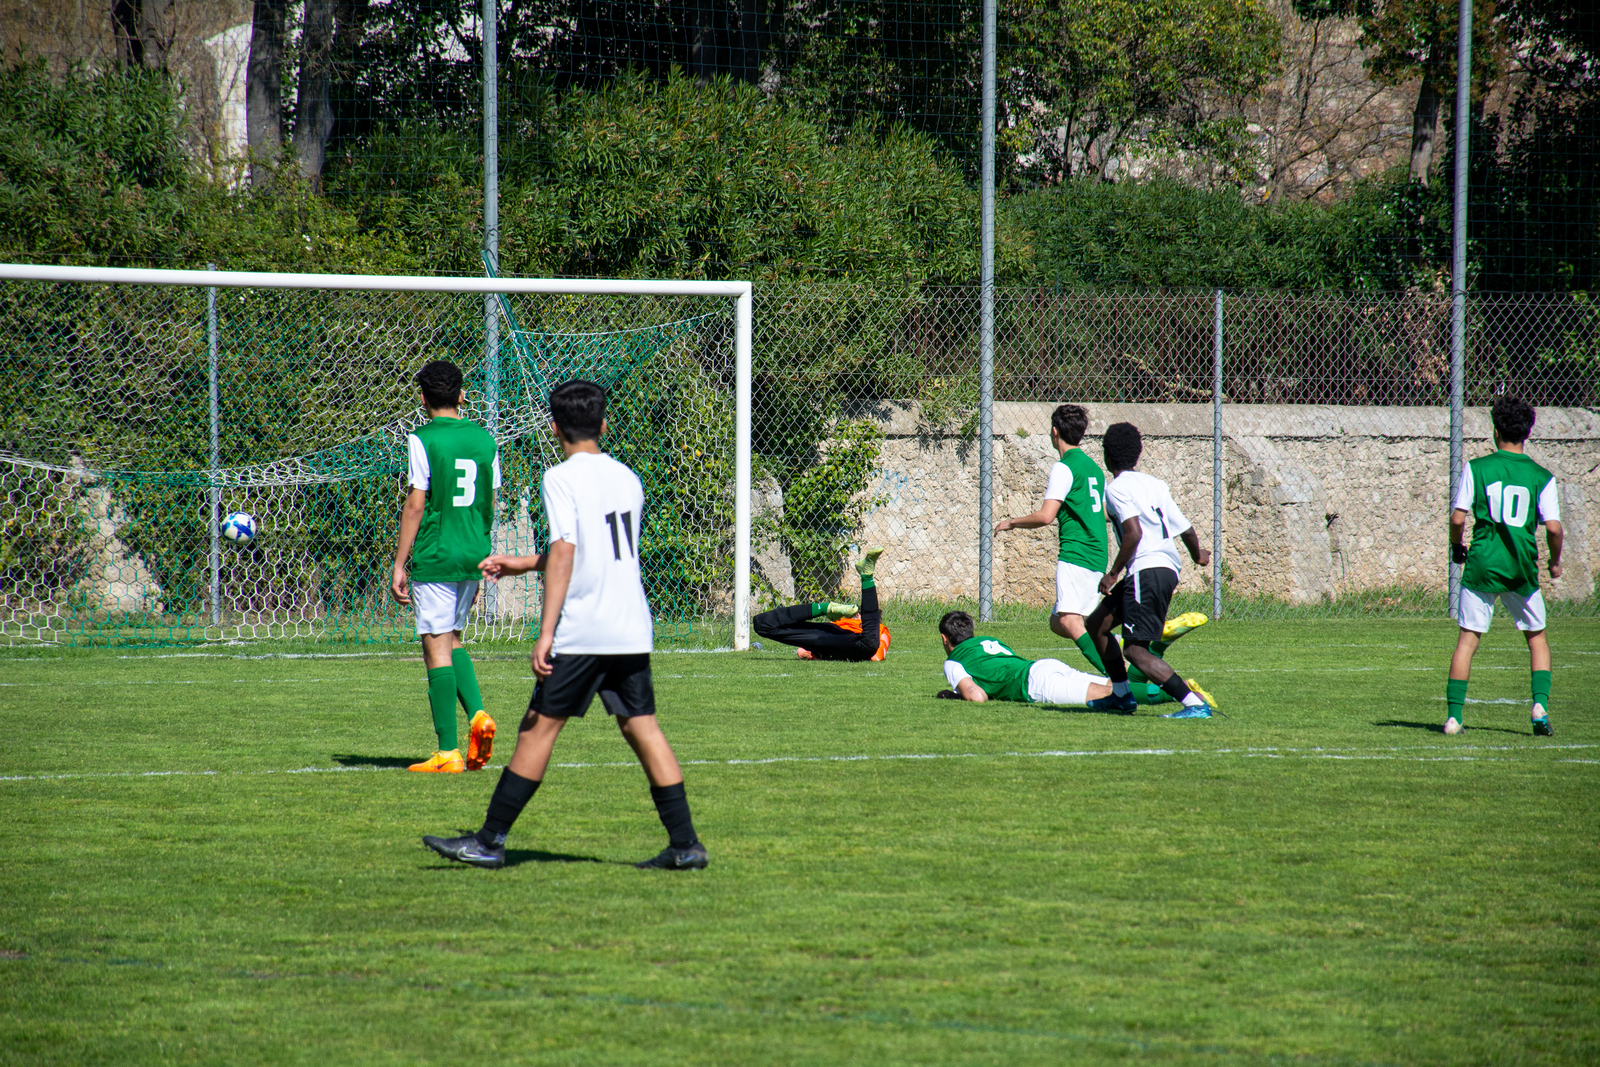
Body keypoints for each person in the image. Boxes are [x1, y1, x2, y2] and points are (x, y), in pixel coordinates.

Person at [422, 379, 708, 871]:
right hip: (630, 626)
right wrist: (522, 563)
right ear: (604, 424)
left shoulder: (560, 478)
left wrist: (547, 631)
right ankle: (686, 845)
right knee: (643, 729)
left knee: (536, 731)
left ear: (554, 427)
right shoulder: (627, 478)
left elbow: (566, 553)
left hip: (584, 630)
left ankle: (489, 842)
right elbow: (592, 552)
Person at [390, 360, 499, 773]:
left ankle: (449, 752)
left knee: (435, 648)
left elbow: (416, 503)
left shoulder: (423, 439)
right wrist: (480, 551)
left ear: (423, 399)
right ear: (462, 395)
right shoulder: (485, 439)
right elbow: (489, 499)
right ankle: (478, 716)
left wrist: (400, 562)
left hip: (438, 553)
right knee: (452, 639)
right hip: (474, 551)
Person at [1445, 395, 1563, 736]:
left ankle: (1454, 718)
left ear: (1495, 430)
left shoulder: (1477, 468)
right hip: (1520, 568)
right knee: (1536, 638)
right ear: (1528, 433)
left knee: (1467, 640)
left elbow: (1457, 519)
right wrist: (1554, 562)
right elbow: (1554, 528)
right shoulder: (1541, 476)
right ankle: (1539, 706)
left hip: (1482, 564)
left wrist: (1457, 547)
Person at [1083, 422, 1216, 719]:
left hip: (1147, 570)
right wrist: (1197, 555)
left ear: (1106, 455)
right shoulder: (1156, 484)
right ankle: (1121, 696)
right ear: (1137, 454)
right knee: (1097, 624)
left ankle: (1193, 703)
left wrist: (1112, 574)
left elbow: (1133, 533)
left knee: (1135, 650)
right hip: (1162, 568)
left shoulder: (1116, 488)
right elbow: (1185, 528)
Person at [995, 403, 1113, 672]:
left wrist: (1011, 522)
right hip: (1097, 553)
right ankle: (1120, 653)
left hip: (1077, 553)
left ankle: (1119, 679)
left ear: (1055, 431)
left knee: (1070, 622)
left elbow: (1046, 516)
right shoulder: (1093, 468)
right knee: (1058, 622)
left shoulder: (1064, 467)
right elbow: (1104, 512)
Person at [934, 611, 1218, 710]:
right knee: (1117, 686)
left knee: (1108, 696)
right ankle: (1157, 648)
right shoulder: (989, 641)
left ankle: (1183, 694)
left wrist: (957, 694)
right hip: (1044, 666)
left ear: (945, 639)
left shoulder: (953, 661)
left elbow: (978, 697)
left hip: (1036, 684)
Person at [752, 548, 891, 661]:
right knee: (869, 644)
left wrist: (809, 650)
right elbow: (876, 656)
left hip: (829, 639)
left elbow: (804, 650)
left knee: (763, 625)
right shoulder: (879, 630)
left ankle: (826, 608)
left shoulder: (877, 628)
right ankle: (865, 577)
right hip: (833, 636)